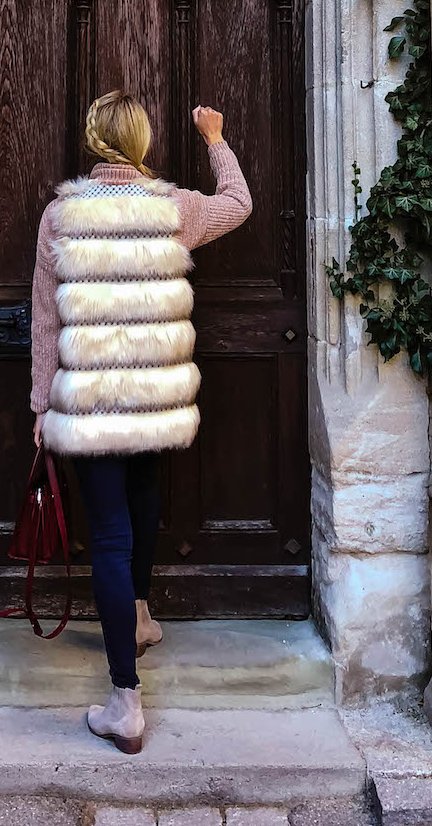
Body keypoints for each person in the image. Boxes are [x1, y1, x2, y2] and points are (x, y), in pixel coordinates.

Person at [29, 91, 252, 754]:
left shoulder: (61, 215)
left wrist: (42, 404)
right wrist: (214, 137)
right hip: (153, 395)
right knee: (144, 507)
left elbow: (45, 318)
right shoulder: (172, 206)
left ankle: (125, 698)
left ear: (95, 138)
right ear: (145, 141)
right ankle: (141, 621)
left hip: (93, 398)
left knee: (110, 538)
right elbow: (238, 202)